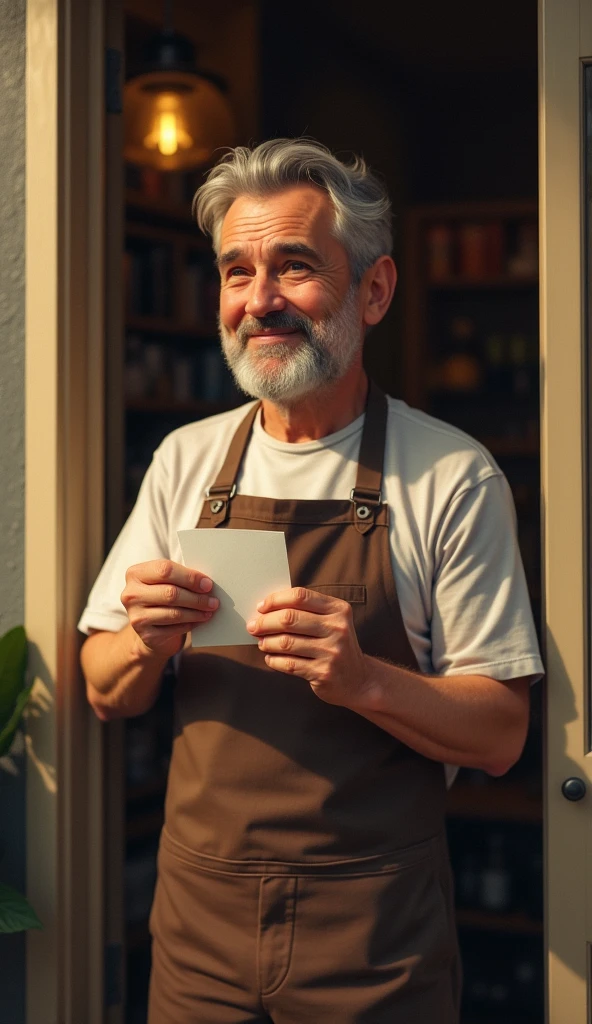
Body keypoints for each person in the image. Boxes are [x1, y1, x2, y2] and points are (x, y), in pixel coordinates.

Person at [79, 138, 543, 1024]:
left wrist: (365, 680)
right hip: (196, 931)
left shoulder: (449, 474)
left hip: (372, 936)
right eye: (236, 271)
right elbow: (104, 691)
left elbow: (501, 734)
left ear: (374, 291)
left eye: (293, 267)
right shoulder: (188, 461)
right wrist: (146, 638)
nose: (259, 302)